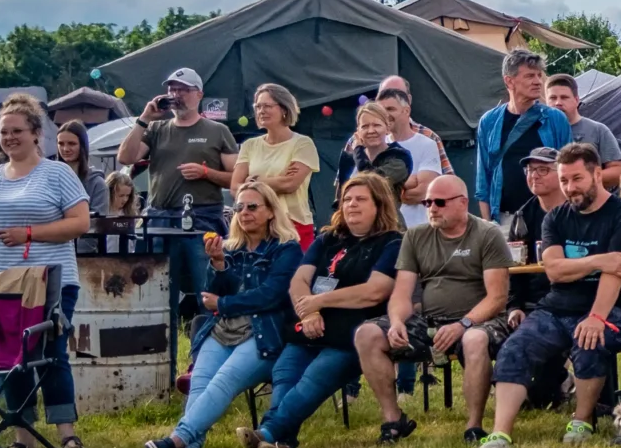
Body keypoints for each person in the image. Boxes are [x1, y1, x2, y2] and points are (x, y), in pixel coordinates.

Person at [481, 142, 621, 448]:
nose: (569, 188)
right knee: (514, 348)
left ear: (597, 174)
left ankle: (582, 419)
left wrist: (596, 317)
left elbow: (615, 276)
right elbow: (554, 271)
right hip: (556, 306)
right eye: (564, 180)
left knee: (589, 342)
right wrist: (598, 261)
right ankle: (500, 432)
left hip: (611, 308)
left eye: (576, 179)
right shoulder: (555, 218)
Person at [0, 95, 93, 448]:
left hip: (49, 281)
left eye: (17, 130)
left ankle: (67, 434)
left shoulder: (57, 173)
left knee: (52, 354)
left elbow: (80, 223)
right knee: (10, 357)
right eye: (3, 131)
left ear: (36, 134)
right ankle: (23, 436)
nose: (9, 137)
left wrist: (28, 233)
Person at [236, 174, 403, 448]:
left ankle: (267, 433)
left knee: (313, 378)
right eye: (347, 199)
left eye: (361, 199)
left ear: (379, 204)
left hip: (351, 334)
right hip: (309, 326)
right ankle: (279, 442)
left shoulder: (391, 243)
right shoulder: (328, 238)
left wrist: (319, 300)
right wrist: (310, 310)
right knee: (285, 373)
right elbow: (300, 279)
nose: (351, 205)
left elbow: (375, 291)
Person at [144, 181, 302, 448]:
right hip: (222, 330)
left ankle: (176, 440)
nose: (244, 212)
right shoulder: (229, 247)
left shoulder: (286, 249)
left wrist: (224, 304)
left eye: (253, 206)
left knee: (223, 381)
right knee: (201, 382)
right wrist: (217, 264)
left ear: (270, 212)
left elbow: (271, 296)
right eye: (239, 207)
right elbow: (211, 292)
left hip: (262, 332)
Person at [358, 174, 511, 444]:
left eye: (439, 202)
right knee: (366, 334)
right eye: (428, 202)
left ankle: (474, 426)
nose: (432, 208)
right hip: (429, 321)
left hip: (478, 322)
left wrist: (463, 324)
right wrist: (396, 321)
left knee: (475, 339)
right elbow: (402, 293)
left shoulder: (487, 234)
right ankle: (394, 420)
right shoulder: (416, 236)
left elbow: (497, 298)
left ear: (463, 203)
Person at [116, 67, 237, 322]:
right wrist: (144, 118)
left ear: (199, 95)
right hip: (159, 220)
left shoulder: (217, 130)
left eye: (183, 89)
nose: (176, 94)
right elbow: (125, 157)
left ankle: (206, 355)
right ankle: (164, 359)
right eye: (172, 89)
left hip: (202, 220)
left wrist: (206, 173)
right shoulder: (157, 128)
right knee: (159, 299)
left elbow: (238, 178)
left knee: (207, 292)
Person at [473, 48, 571, 220]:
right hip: (504, 217)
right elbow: (483, 179)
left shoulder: (555, 119)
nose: (538, 82)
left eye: (539, 75)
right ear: (509, 81)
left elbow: (568, 171)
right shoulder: (489, 122)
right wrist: (489, 225)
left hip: (550, 217)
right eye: (529, 76)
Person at [232, 82, 319, 242]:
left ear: (284, 109)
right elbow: (235, 188)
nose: (261, 111)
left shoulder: (303, 144)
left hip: (294, 225)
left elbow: (289, 185)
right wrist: (277, 180)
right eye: (258, 107)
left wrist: (253, 182)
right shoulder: (249, 145)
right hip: (257, 226)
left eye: (267, 106)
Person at [362, 77, 449, 224]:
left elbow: (422, 193)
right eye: (381, 111)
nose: (386, 115)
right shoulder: (374, 144)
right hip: (385, 230)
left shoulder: (428, 142)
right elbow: (367, 188)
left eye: (390, 109)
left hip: (420, 231)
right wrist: (408, 180)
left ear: (406, 110)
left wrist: (388, 187)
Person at [336, 103, 414, 206]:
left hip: (385, 220)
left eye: (377, 125)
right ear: (358, 131)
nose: (371, 131)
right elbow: (340, 198)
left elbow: (371, 181)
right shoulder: (350, 158)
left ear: (387, 128)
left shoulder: (400, 157)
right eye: (365, 126)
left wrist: (358, 150)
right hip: (351, 219)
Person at [544, 74, 621, 164]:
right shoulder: (538, 131)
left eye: (564, 97)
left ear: (577, 100)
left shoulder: (598, 130)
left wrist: (585, 175)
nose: (558, 103)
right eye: (553, 98)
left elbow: (617, 169)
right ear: (546, 101)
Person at [56, 123, 108, 221]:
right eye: (61, 143)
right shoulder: (49, 178)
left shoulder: (97, 183)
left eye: (72, 143)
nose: (65, 149)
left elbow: (97, 223)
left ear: (82, 145)